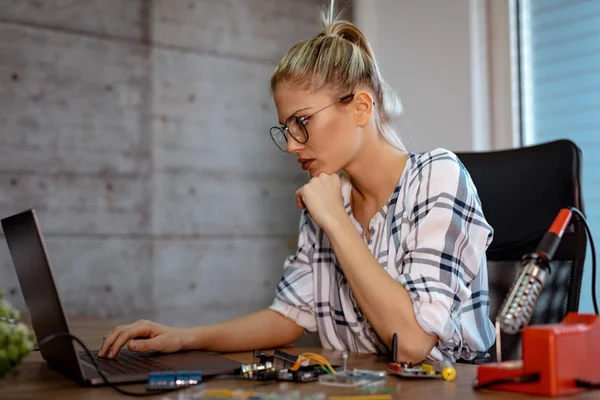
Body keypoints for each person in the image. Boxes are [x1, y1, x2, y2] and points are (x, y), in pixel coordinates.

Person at [99, 0, 495, 364]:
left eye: (302, 122)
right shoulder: (328, 194)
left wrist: (337, 223)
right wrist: (184, 338)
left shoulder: (437, 176)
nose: (291, 145)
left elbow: (411, 342)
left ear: (361, 107)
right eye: (286, 127)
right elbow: (289, 316)